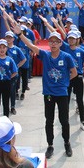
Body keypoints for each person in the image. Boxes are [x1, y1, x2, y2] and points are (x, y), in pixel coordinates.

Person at [14, 22, 76, 159]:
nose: (53, 44)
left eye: (56, 41)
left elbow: (74, 72)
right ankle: (50, 145)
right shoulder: (46, 55)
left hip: (62, 94)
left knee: (64, 120)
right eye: (51, 41)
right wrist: (20, 34)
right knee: (49, 120)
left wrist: (65, 82)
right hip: (48, 94)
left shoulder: (66, 57)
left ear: (60, 43)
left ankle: (66, 142)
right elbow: (31, 46)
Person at [61, 30, 84, 131]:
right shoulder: (64, 48)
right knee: (66, 100)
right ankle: (65, 121)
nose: (71, 40)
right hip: (68, 78)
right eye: (69, 38)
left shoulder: (81, 51)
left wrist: (81, 71)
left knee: (80, 100)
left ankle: (82, 121)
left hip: (78, 78)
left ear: (77, 39)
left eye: (73, 38)